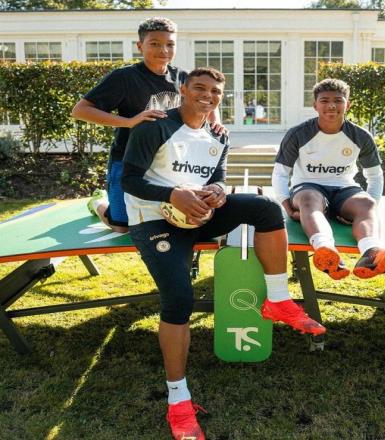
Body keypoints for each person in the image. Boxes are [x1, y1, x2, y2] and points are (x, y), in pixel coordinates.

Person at [121, 67, 325, 440]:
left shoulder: (217, 134)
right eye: (199, 88)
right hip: (156, 221)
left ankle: (278, 300)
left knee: (265, 209)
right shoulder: (154, 127)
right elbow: (129, 180)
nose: (208, 95)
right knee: (179, 299)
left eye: (215, 91)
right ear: (183, 90)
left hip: (199, 214)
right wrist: (173, 194)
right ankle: (178, 401)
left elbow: (217, 176)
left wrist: (217, 191)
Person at [71, 17, 223, 233]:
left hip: (169, 163)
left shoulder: (183, 77)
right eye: (155, 44)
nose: (164, 50)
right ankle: (98, 203)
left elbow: (207, 99)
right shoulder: (124, 77)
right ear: (140, 46)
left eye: (170, 44)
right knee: (122, 226)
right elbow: (80, 110)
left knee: (166, 217)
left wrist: (215, 123)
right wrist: (129, 122)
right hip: (128, 159)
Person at [272, 78, 385, 280]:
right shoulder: (298, 134)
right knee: (309, 200)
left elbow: (375, 176)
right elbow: (280, 173)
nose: (331, 105)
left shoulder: (360, 136)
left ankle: (371, 255)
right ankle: (326, 251)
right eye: (324, 100)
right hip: (307, 186)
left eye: (338, 100)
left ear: (348, 105)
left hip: (344, 189)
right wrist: (288, 208)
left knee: (366, 203)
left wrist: (371, 206)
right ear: (315, 105)